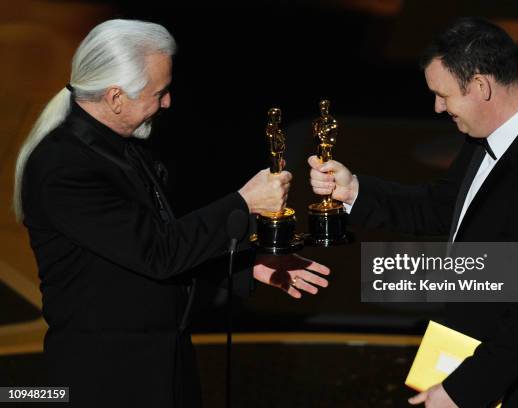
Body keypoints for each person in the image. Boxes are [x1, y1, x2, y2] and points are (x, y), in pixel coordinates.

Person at [14, 19, 330, 408]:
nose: (168, 103)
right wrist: (244, 202)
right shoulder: (65, 169)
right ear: (115, 97)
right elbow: (158, 253)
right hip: (108, 381)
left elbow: (155, 246)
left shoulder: (123, 148)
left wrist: (248, 266)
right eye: (159, 93)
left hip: (161, 365)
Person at [309, 17, 518, 407]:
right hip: (472, 360)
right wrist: (355, 190)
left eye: (444, 95)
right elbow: (443, 208)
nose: (438, 107)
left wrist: (462, 391)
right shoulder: (488, 135)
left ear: (480, 86)